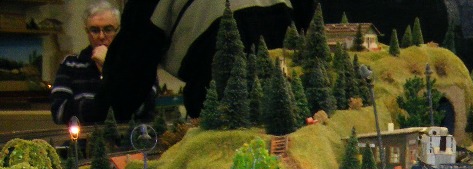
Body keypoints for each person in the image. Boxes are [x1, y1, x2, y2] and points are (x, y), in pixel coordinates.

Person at [100, 0, 314, 120]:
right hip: (287, 76)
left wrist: (101, 112)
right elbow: (309, 19)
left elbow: (128, 73)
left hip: (214, 77)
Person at [50, 1, 155, 125]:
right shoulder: (70, 65)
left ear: (119, 30)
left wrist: (109, 67)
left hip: (129, 135)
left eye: (108, 29)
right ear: (87, 31)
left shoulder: (141, 63)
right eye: (94, 30)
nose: (101, 36)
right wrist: (108, 107)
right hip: (85, 136)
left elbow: (143, 108)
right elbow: (59, 112)